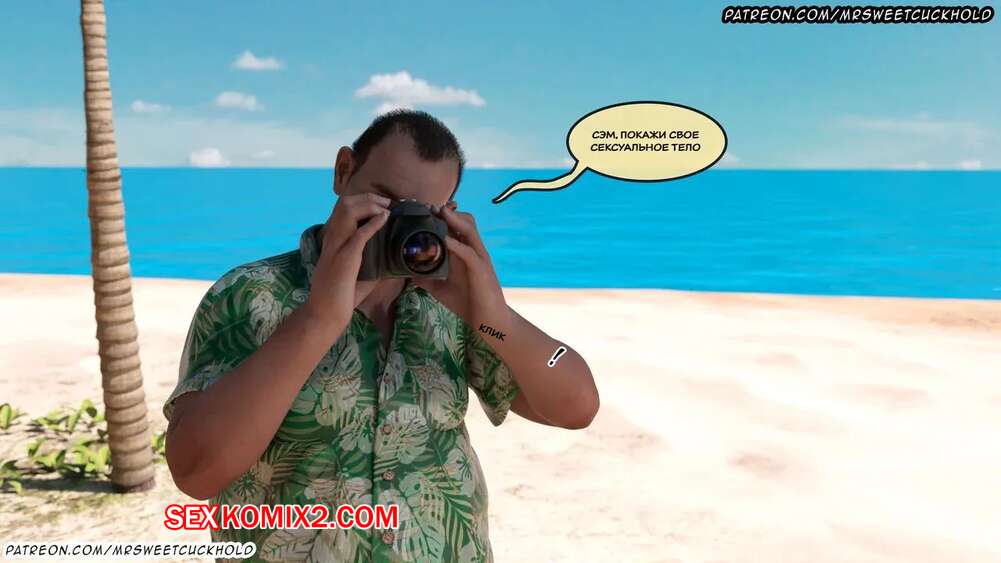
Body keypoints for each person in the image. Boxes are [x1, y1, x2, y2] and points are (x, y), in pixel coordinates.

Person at [163, 109, 600, 562]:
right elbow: (196, 472)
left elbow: (577, 407)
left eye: (420, 213)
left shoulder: (446, 303)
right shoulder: (251, 295)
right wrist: (318, 320)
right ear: (343, 171)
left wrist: (495, 319)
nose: (397, 226)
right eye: (384, 203)